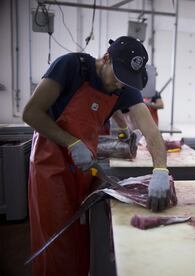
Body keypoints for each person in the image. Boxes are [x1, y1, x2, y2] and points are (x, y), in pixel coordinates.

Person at [22, 36, 170, 276]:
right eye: (119, 77)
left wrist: (161, 170)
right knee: (56, 240)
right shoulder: (71, 66)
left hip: (83, 168)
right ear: (106, 59)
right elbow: (31, 113)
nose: (121, 86)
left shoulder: (125, 87)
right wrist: (71, 143)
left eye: (127, 82)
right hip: (51, 166)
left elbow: (151, 131)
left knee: (81, 236)